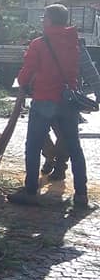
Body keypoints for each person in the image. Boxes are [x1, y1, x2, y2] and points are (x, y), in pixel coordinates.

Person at [8, 4, 89, 209]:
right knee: (74, 147)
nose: (42, 20)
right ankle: (81, 195)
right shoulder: (74, 42)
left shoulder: (39, 44)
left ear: (51, 20)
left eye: (44, 17)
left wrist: (23, 83)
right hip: (68, 101)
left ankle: (30, 192)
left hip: (44, 100)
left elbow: (26, 73)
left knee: (33, 146)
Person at [41, 39, 100, 180]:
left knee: (53, 134)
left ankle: (58, 165)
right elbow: (90, 71)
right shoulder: (42, 42)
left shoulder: (73, 45)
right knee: (57, 135)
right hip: (55, 98)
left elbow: (89, 71)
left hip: (57, 98)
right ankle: (52, 159)